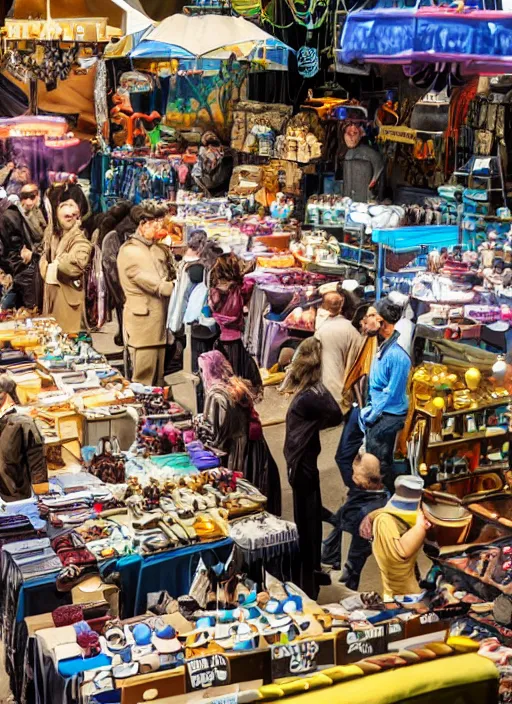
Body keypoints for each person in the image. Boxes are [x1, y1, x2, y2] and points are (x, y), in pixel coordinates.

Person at [283, 337, 343, 599]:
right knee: (308, 516)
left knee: (306, 522)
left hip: (301, 463)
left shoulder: (311, 396)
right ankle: (312, 569)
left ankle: (309, 577)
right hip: (303, 461)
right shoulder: (313, 392)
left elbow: (335, 414)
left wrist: (314, 425)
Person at [199, 351, 281, 511]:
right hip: (253, 447)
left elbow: (215, 436)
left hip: (237, 451)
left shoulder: (217, 395)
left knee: (239, 495)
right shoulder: (235, 384)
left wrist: (197, 424)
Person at [117, 201, 175, 386]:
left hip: (158, 325)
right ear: (142, 224)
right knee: (143, 381)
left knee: (158, 380)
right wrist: (179, 285)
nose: (159, 226)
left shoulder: (157, 248)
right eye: (155, 222)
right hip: (143, 327)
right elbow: (159, 286)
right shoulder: (131, 252)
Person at [359, 297, 411, 492]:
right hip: (379, 412)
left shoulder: (398, 356)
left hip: (389, 416)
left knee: (378, 466)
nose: (366, 320)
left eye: (372, 316)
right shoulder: (382, 348)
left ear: (383, 323)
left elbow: (392, 394)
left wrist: (372, 414)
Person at [322, 453, 388, 589]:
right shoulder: (361, 492)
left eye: (356, 475)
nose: (352, 477)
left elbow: (357, 551)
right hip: (335, 554)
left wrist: (346, 571)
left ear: (368, 479)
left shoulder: (367, 511)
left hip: (346, 564)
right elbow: (340, 521)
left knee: (345, 592)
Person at [361, 475, 429, 600]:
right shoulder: (419, 519)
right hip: (407, 593)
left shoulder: (384, 521)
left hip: (403, 595)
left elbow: (398, 556)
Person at [209, 252, 262, 398]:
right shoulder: (239, 289)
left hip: (220, 337)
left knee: (225, 378)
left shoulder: (214, 291)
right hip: (236, 340)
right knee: (240, 380)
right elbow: (251, 281)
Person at [39, 199, 92, 333]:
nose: (70, 219)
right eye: (66, 216)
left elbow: (75, 266)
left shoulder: (80, 240)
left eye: (73, 216)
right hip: (54, 298)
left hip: (68, 301)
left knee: (70, 340)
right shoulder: (54, 237)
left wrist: (54, 263)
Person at [0, 183, 47, 309]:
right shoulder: (11, 212)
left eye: (32, 196)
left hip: (24, 271)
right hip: (22, 271)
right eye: (25, 197)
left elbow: (16, 248)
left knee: (27, 312)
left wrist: (14, 270)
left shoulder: (7, 215)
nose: (28, 201)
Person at [314, 290, 362, 405]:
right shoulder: (352, 331)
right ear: (341, 306)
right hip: (344, 394)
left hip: (323, 391)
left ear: (324, 307)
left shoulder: (320, 331)